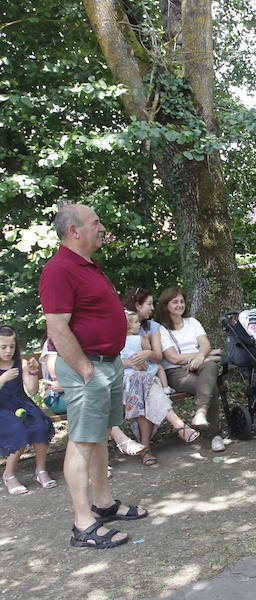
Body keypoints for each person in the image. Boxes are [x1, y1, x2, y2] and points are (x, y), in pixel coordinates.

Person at [40, 203, 147, 549]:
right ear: (74, 230)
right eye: (95, 222)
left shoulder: (87, 266)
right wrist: (86, 369)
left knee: (98, 436)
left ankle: (103, 505)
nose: (102, 227)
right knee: (82, 441)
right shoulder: (59, 269)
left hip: (107, 364)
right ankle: (82, 524)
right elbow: (56, 327)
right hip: (88, 368)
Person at [122, 311, 200, 466]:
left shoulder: (142, 338)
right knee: (145, 384)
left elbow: (155, 358)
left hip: (143, 382)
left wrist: (147, 353)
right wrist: (130, 363)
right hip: (123, 382)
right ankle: (178, 425)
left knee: (145, 387)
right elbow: (108, 362)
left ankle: (145, 449)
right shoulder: (113, 339)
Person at [155, 287, 224, 453]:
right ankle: (215, 435)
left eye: (182, 301)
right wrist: (204, 354)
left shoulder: (192, 322)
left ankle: (201, 413)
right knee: (211, 386)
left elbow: (205, 344)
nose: (180, 305)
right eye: (175, 302)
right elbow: (172, 357)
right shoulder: (161, 329)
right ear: (166, 305)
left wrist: (200, 357)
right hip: (176, 372)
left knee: (210, 365)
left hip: (200, 365)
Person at [1, 325, 55, 495]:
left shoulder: (20, 363)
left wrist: (32, 372)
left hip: (21, 403)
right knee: (18, 429)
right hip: (2, 408)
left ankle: (40, 471)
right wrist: (2, 379)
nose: (8, 351)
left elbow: (32, 391)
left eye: (12, 346)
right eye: (3, 347)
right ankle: (9, 475)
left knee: (39, 424)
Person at [122, 287, 174, 392]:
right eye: (149, 304)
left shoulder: (153, 327)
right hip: (124, 374)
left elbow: (159, 357)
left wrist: (148, 354)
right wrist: (131, 363)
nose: (153, 308)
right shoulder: (118, 328)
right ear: (138, 305)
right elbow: (111, 359)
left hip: (147, 372)